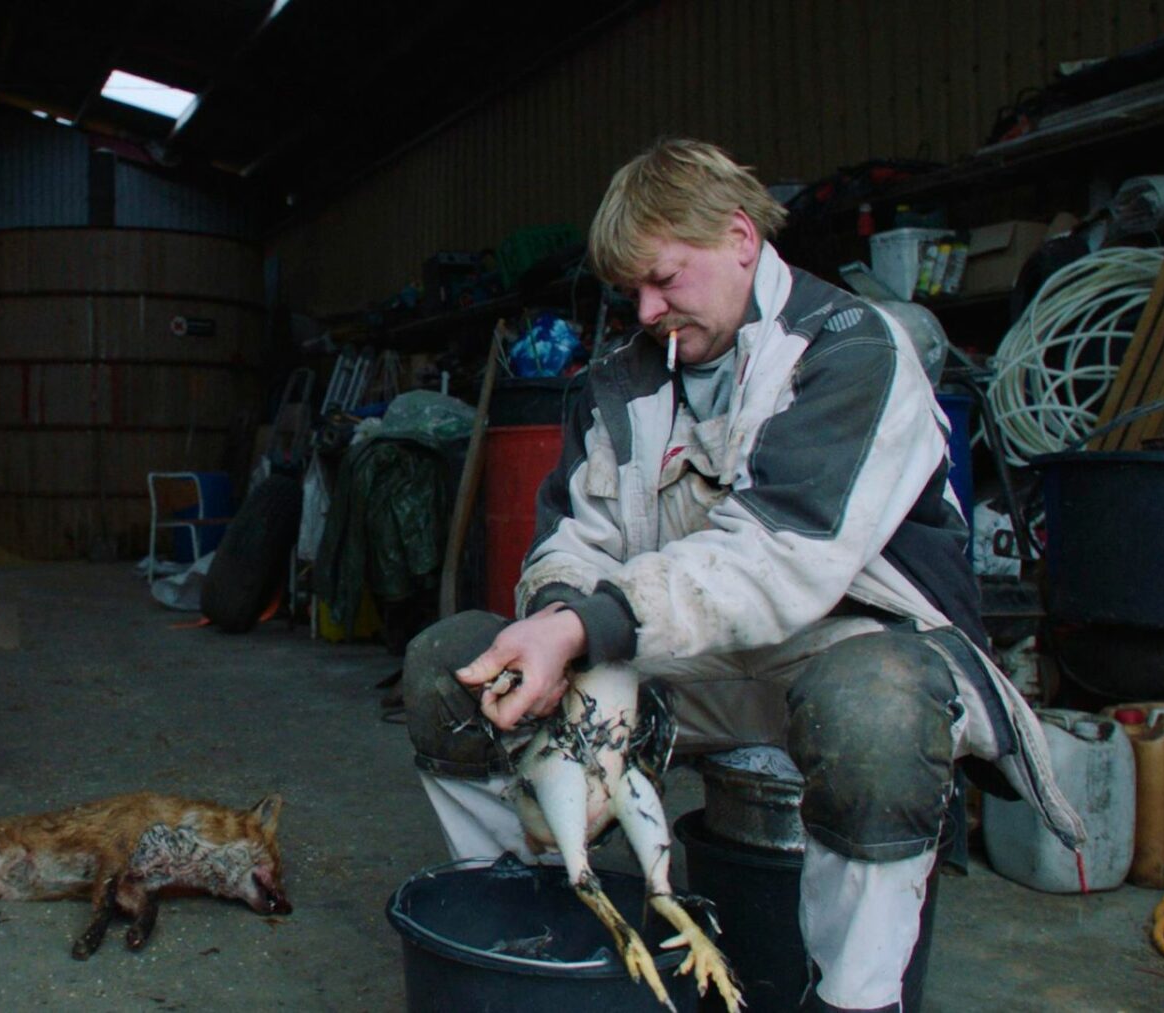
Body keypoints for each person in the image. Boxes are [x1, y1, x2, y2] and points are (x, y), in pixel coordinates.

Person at [402, 140, 1081, 1013]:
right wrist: (561, 614)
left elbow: (777, 553)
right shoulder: (617, 386)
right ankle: (536, 921)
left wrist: (584, 628)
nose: (645, 309)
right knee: (449, 666)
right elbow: (572, 542)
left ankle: (858, 999)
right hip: (689, 665)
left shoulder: (848, 352)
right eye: (631, 291)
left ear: (739, 239)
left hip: (847, 646)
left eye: (665, 279)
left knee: (874, 707)